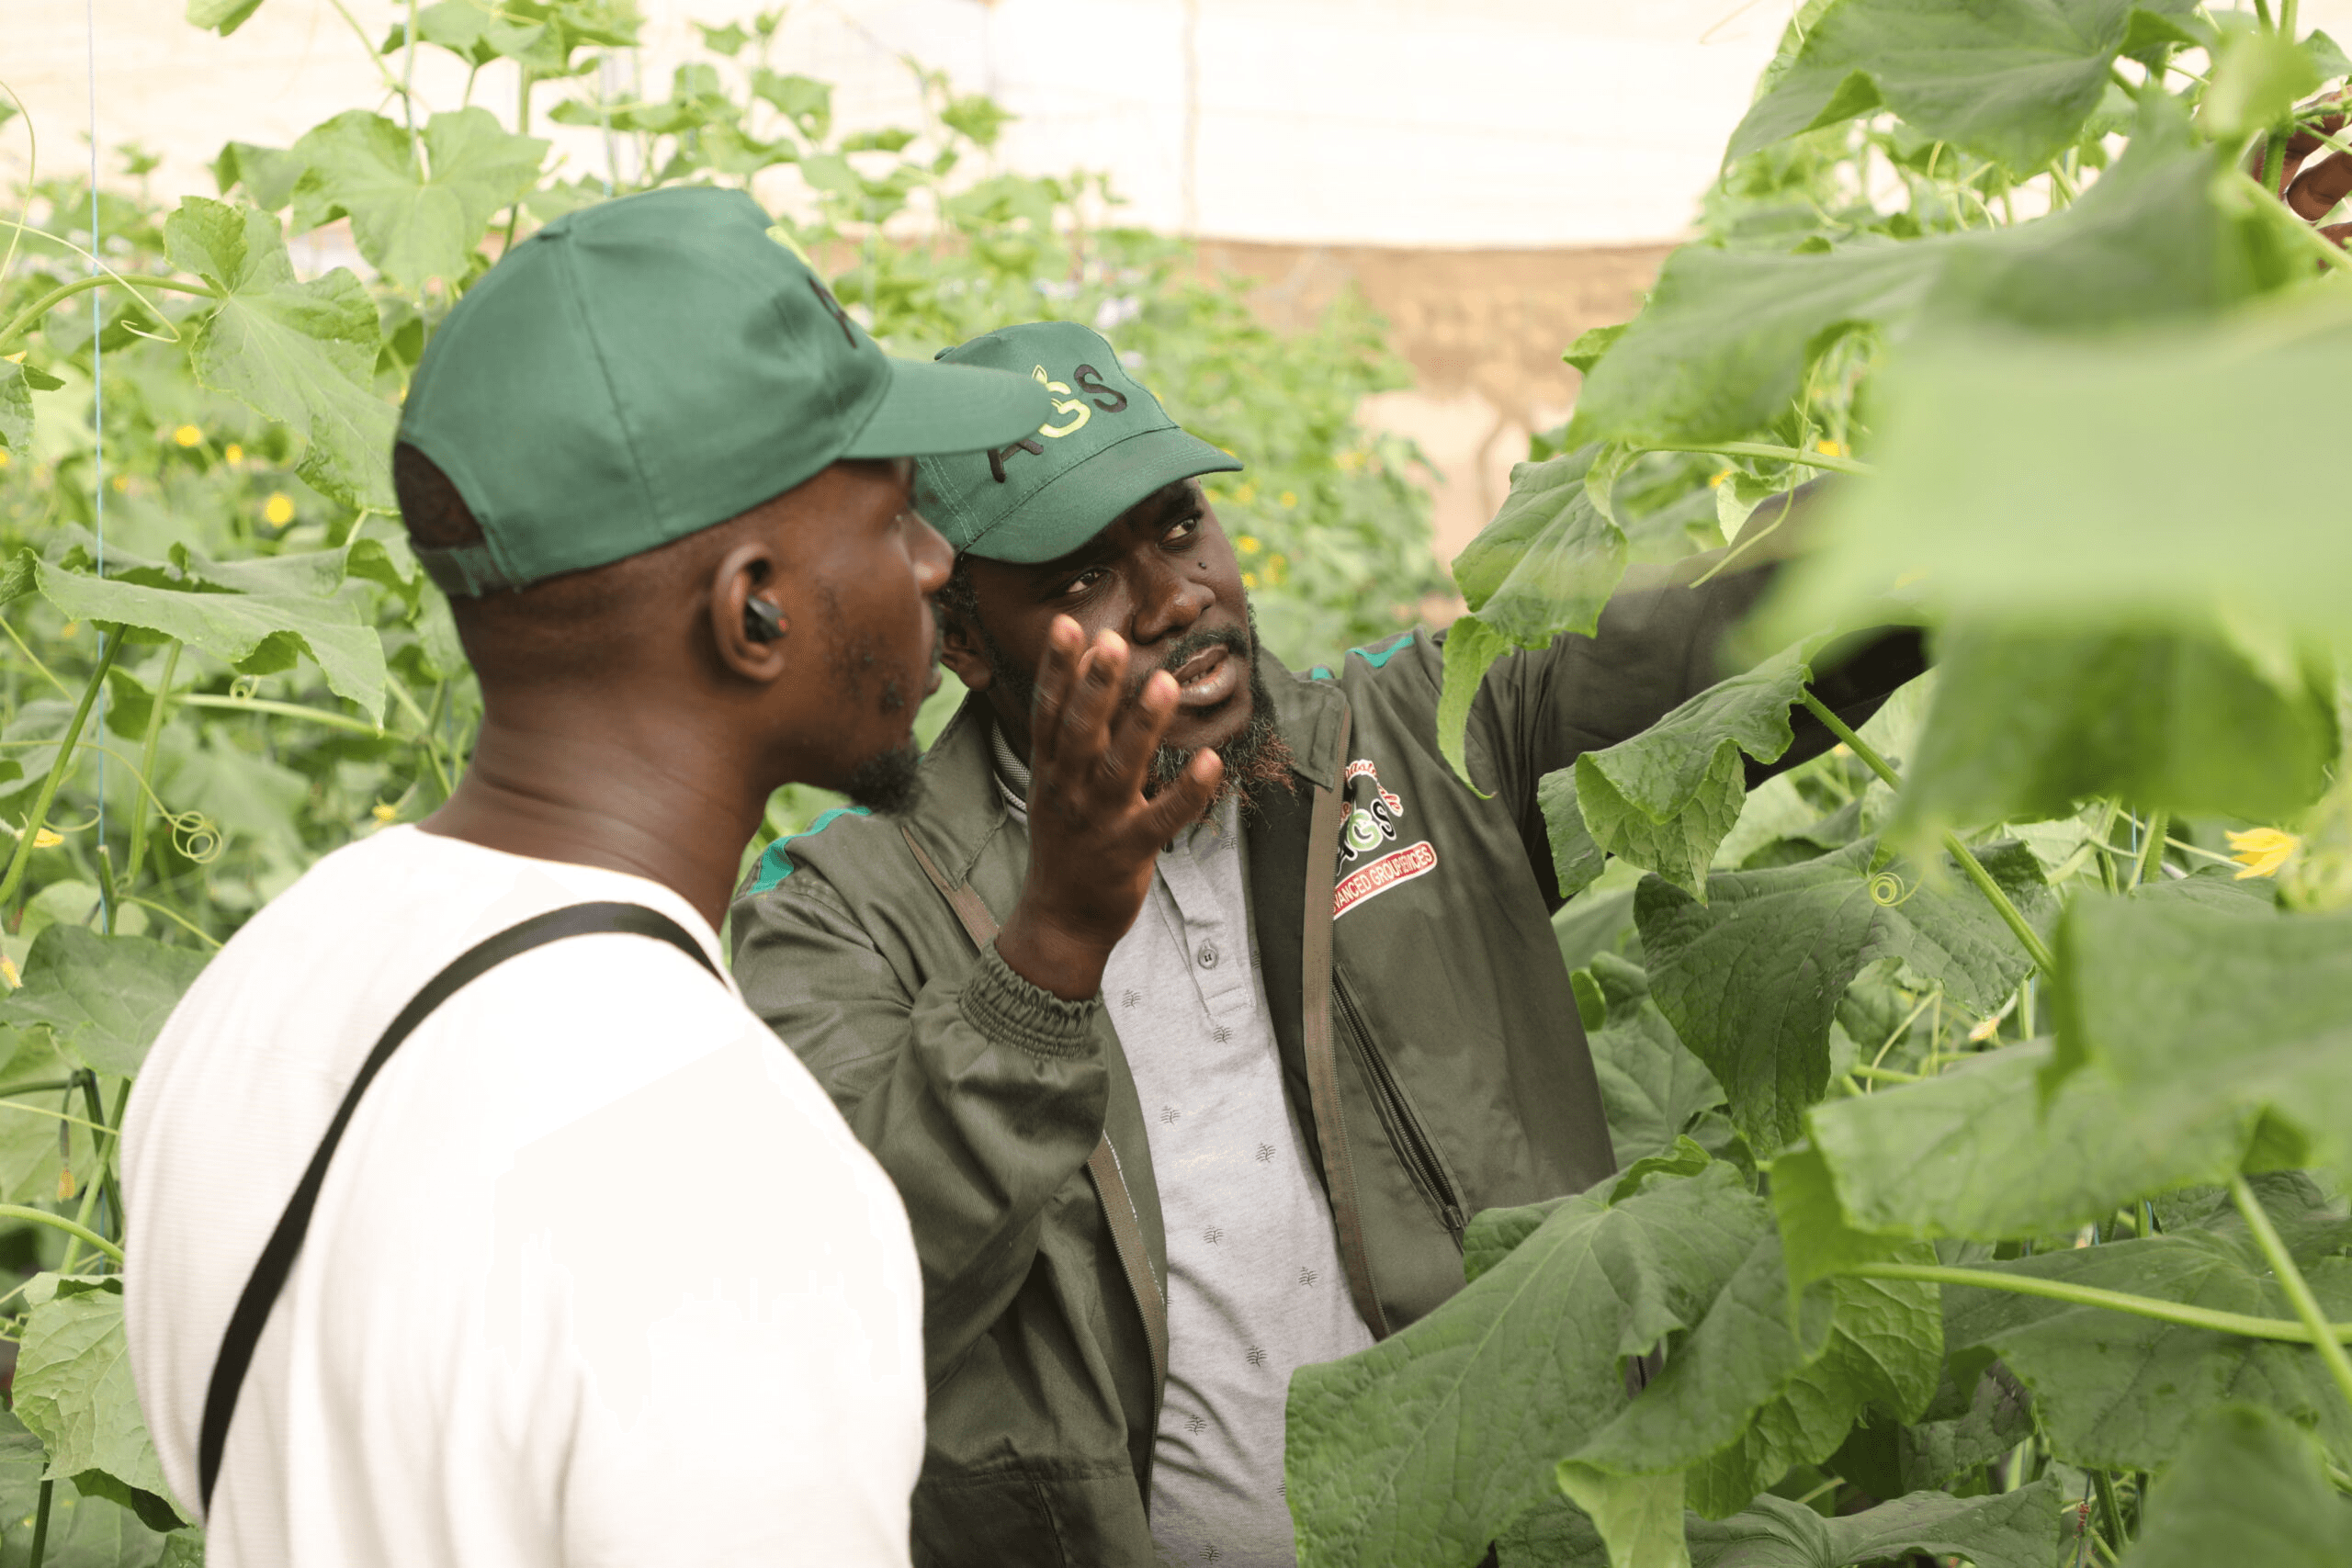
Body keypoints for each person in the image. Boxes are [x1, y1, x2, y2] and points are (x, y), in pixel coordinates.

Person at [725, 319, 1924, 1567]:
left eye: (1179, 523)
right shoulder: (840, 909)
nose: (1177, 596)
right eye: (1080, 577)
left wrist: (1965, 507)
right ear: (965, 640)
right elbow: (847, 1299)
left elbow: (1702, 630)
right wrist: (1050, 948)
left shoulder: (1413, 733)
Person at [121, 186, 1052, 1568]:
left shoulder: (252, 995)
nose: (933, 563)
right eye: (898, 511)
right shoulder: (738, 1182)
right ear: (755, 608)